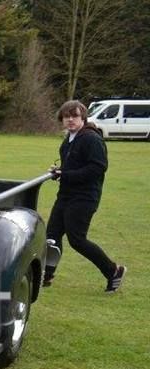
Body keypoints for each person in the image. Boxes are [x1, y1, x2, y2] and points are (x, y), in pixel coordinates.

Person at [44, 100, 126, 292]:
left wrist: (67, 174)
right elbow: (73, 167)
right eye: (67, 117)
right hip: (65, 195)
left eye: (75, 116)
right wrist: (59, 171)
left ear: (83, 118)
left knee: (77, 240)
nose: (70, 120)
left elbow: (98, 168)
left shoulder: (91, 138)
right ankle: (46, 276)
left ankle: (114, 270)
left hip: (84, 197)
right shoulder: (69, 140)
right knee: (52, 237)